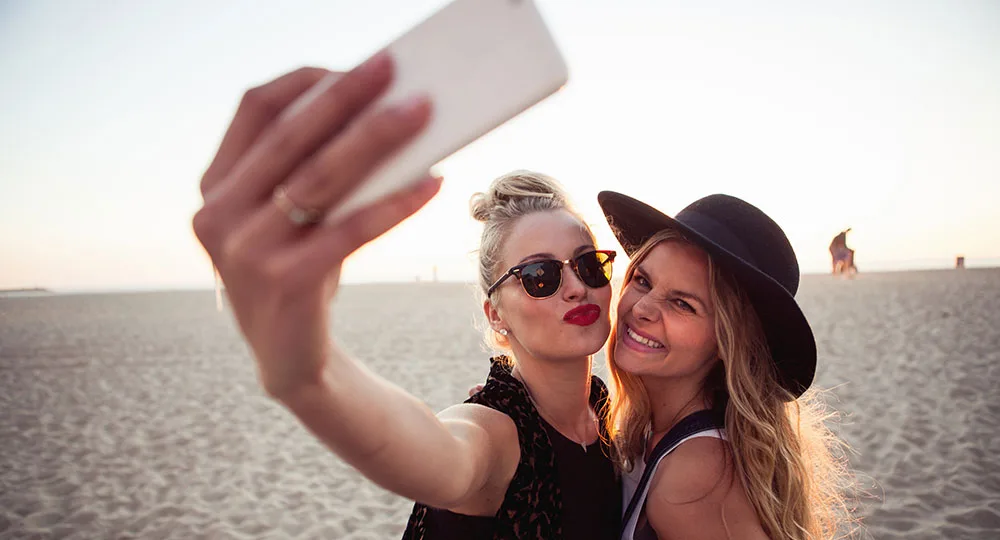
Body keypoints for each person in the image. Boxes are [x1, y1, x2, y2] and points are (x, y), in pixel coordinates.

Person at [192, 55, 621, 540]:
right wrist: (307, 373)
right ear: (495, 314)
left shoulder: (606, 416)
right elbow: (441, 452)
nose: (576, 286)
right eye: (540, 275)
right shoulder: (496, 432)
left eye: (589, 263)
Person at [597, 192, 855, 540]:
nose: (642, 307)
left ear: (726, 341)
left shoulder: (694, 480)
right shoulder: (653, 430)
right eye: (642, 280)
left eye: (681, 304)